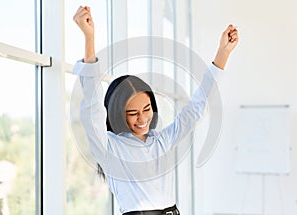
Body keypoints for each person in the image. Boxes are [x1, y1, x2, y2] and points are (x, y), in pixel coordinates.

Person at [72, 6, 238, 215]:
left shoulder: (161, 140)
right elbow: (93, 108)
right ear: (117, 114)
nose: (142, 119)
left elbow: (197, 108)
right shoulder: (109, 147)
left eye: (147, 109)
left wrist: (222, 54)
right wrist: (89, 38)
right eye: (132, 113)